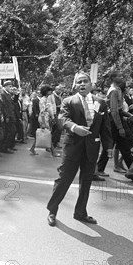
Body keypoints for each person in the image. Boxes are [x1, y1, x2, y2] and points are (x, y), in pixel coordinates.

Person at [46, 72, 113, 226]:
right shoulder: (68, 101)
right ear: (75, 86)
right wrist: (75, 128)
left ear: (91, 84)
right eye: (79, 82)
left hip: (91, 148)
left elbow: (105, 127)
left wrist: (109, 147)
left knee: (86, 181)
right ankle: (52, 210)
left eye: (85, 81)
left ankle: (80, 213)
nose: (82, 84)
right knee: (64, 179)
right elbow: (62, 119)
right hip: (73, 147)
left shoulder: (101, 103)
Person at [97, 72, 133, 176]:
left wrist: (128, 115)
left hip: (116, 118)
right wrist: (120, 127)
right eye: (119, 76)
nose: (121, 77)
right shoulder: (114, 91)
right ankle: (99, 169)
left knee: (124, 147)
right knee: (110, 145)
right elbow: (114, 111)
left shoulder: (117, 89)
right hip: (114, 121)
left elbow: (119, 109)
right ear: (113, 78)